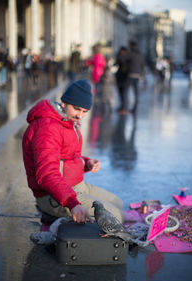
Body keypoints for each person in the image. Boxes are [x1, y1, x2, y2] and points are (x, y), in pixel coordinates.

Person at [22, 79, 123, 224]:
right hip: (54, 196)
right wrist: (72, 203)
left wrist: (86, 162)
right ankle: (57, 222)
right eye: (77, 109)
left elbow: (67, 155)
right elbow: (47, 174)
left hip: (75, 185)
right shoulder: (48, 127)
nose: (80, 116)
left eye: (84, 111)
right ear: (63, 103)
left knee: (117, 203)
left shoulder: (66, 120)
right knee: (116, 217)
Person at [126, 40, 145, 114]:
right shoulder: (140, 54)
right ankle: (135, 108)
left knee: (125, 91)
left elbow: (125, 61)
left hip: (130, 74)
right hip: (137, 75)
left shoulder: (130, 53)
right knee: (136, 93)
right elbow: (143, 66)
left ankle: (125, 107)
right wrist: (142, 76)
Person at [115, 46, 129, 114]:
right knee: (121, 94)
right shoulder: (122, 57)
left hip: (124, 78)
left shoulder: (126, 58)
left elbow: (124, 68)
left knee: (124, 94)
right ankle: (122, 107)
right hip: (120, 77)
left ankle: (124, 108)